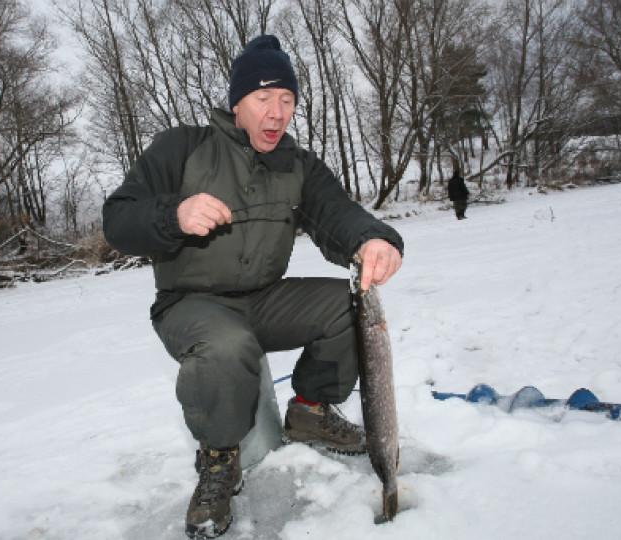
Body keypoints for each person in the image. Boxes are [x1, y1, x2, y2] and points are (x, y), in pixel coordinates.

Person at [102, 35, 403, 539]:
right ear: (237, 102)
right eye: (263, 98)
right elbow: (118, 219)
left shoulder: (297, 165)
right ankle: (219, 459)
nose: (276, 112)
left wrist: (374, 240)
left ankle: (310, 410)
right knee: (226, 344)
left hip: (265, 298)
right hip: (190, 303)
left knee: (346, 306)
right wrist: (173, 213)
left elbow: (337, 215)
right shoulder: (183, 148)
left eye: (287, 100)